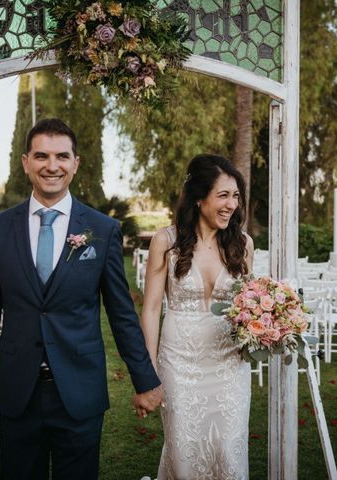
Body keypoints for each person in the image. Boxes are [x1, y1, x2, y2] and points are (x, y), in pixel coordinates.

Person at [0, 118, 163, 480]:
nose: (52, 166)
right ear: (26, 162)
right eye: (42, 156)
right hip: (18, 394)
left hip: (79, 393)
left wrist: (144, 380)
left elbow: (121, 313)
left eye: (62, 156)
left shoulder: (102, 229)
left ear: (75, 163)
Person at [139, 154, 254, 480]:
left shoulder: (243, 245)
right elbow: (150, 309)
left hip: (230, 368)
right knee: (184, 453)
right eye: (223, 195)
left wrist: (266, 323)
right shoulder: (167, 241)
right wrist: (148, 372)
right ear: (199, 198)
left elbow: (246, 305)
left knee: (229, 455)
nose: (231, 204)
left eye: (235, 196)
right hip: (179, 366)